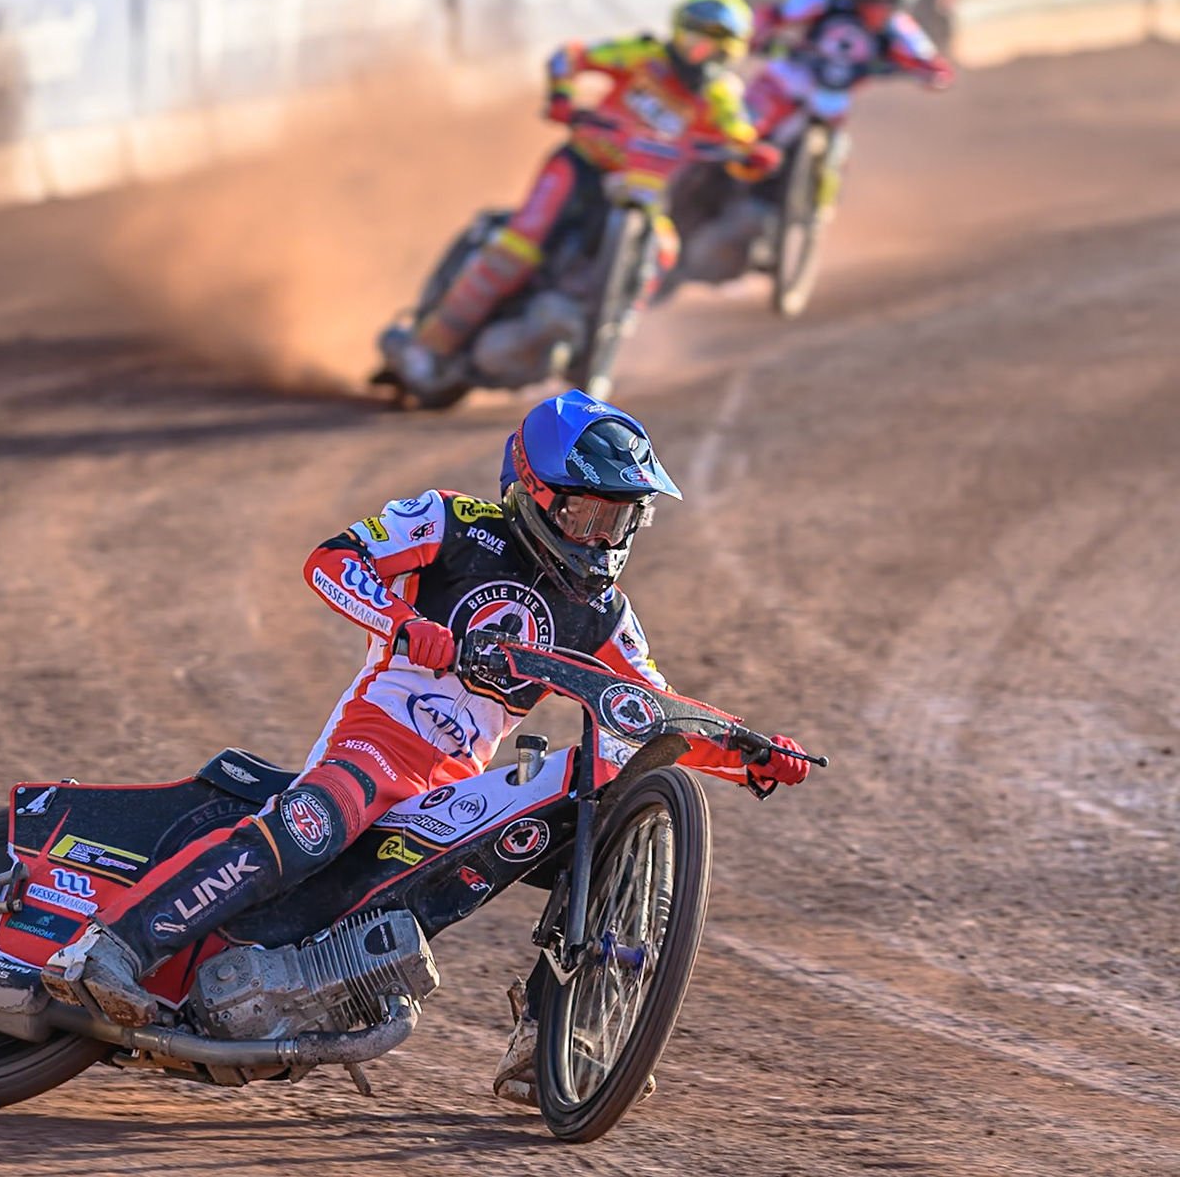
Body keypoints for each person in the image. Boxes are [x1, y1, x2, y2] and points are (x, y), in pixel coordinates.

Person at [45, 389, 812, 1035]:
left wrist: (749, 753)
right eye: (588, 517)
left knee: (597, 810)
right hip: (377, 741)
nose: (603, 540)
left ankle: (550, 1035)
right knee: (315, 825)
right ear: (536, 492)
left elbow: (648, 712)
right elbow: (333, 561)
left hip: (452, 789)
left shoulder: (607, 616)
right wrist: (409, 628)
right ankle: (111, 947)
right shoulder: (453, 520)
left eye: (621, 521)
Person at [386, 0, 779, 392]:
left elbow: (739, 138)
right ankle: (428, 346)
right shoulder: (642, 55)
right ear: (678, 32)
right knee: (516, 249)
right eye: (696, 39)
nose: (702, 53)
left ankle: (606, 338)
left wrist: (753, 156)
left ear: (734, 51)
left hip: (643, 190)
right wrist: (562, 96)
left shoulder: (720, 96)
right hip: (582, 166)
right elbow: (570, 57)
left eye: (716, 45)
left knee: (663, 251)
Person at [745, 0, 954, 142]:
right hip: (788, 78)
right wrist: (758, 32)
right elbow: (775, 13)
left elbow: (927, 60)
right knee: (748, 126)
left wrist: (932, 73)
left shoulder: (898, 26)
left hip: (831, 101)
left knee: (836, 146)